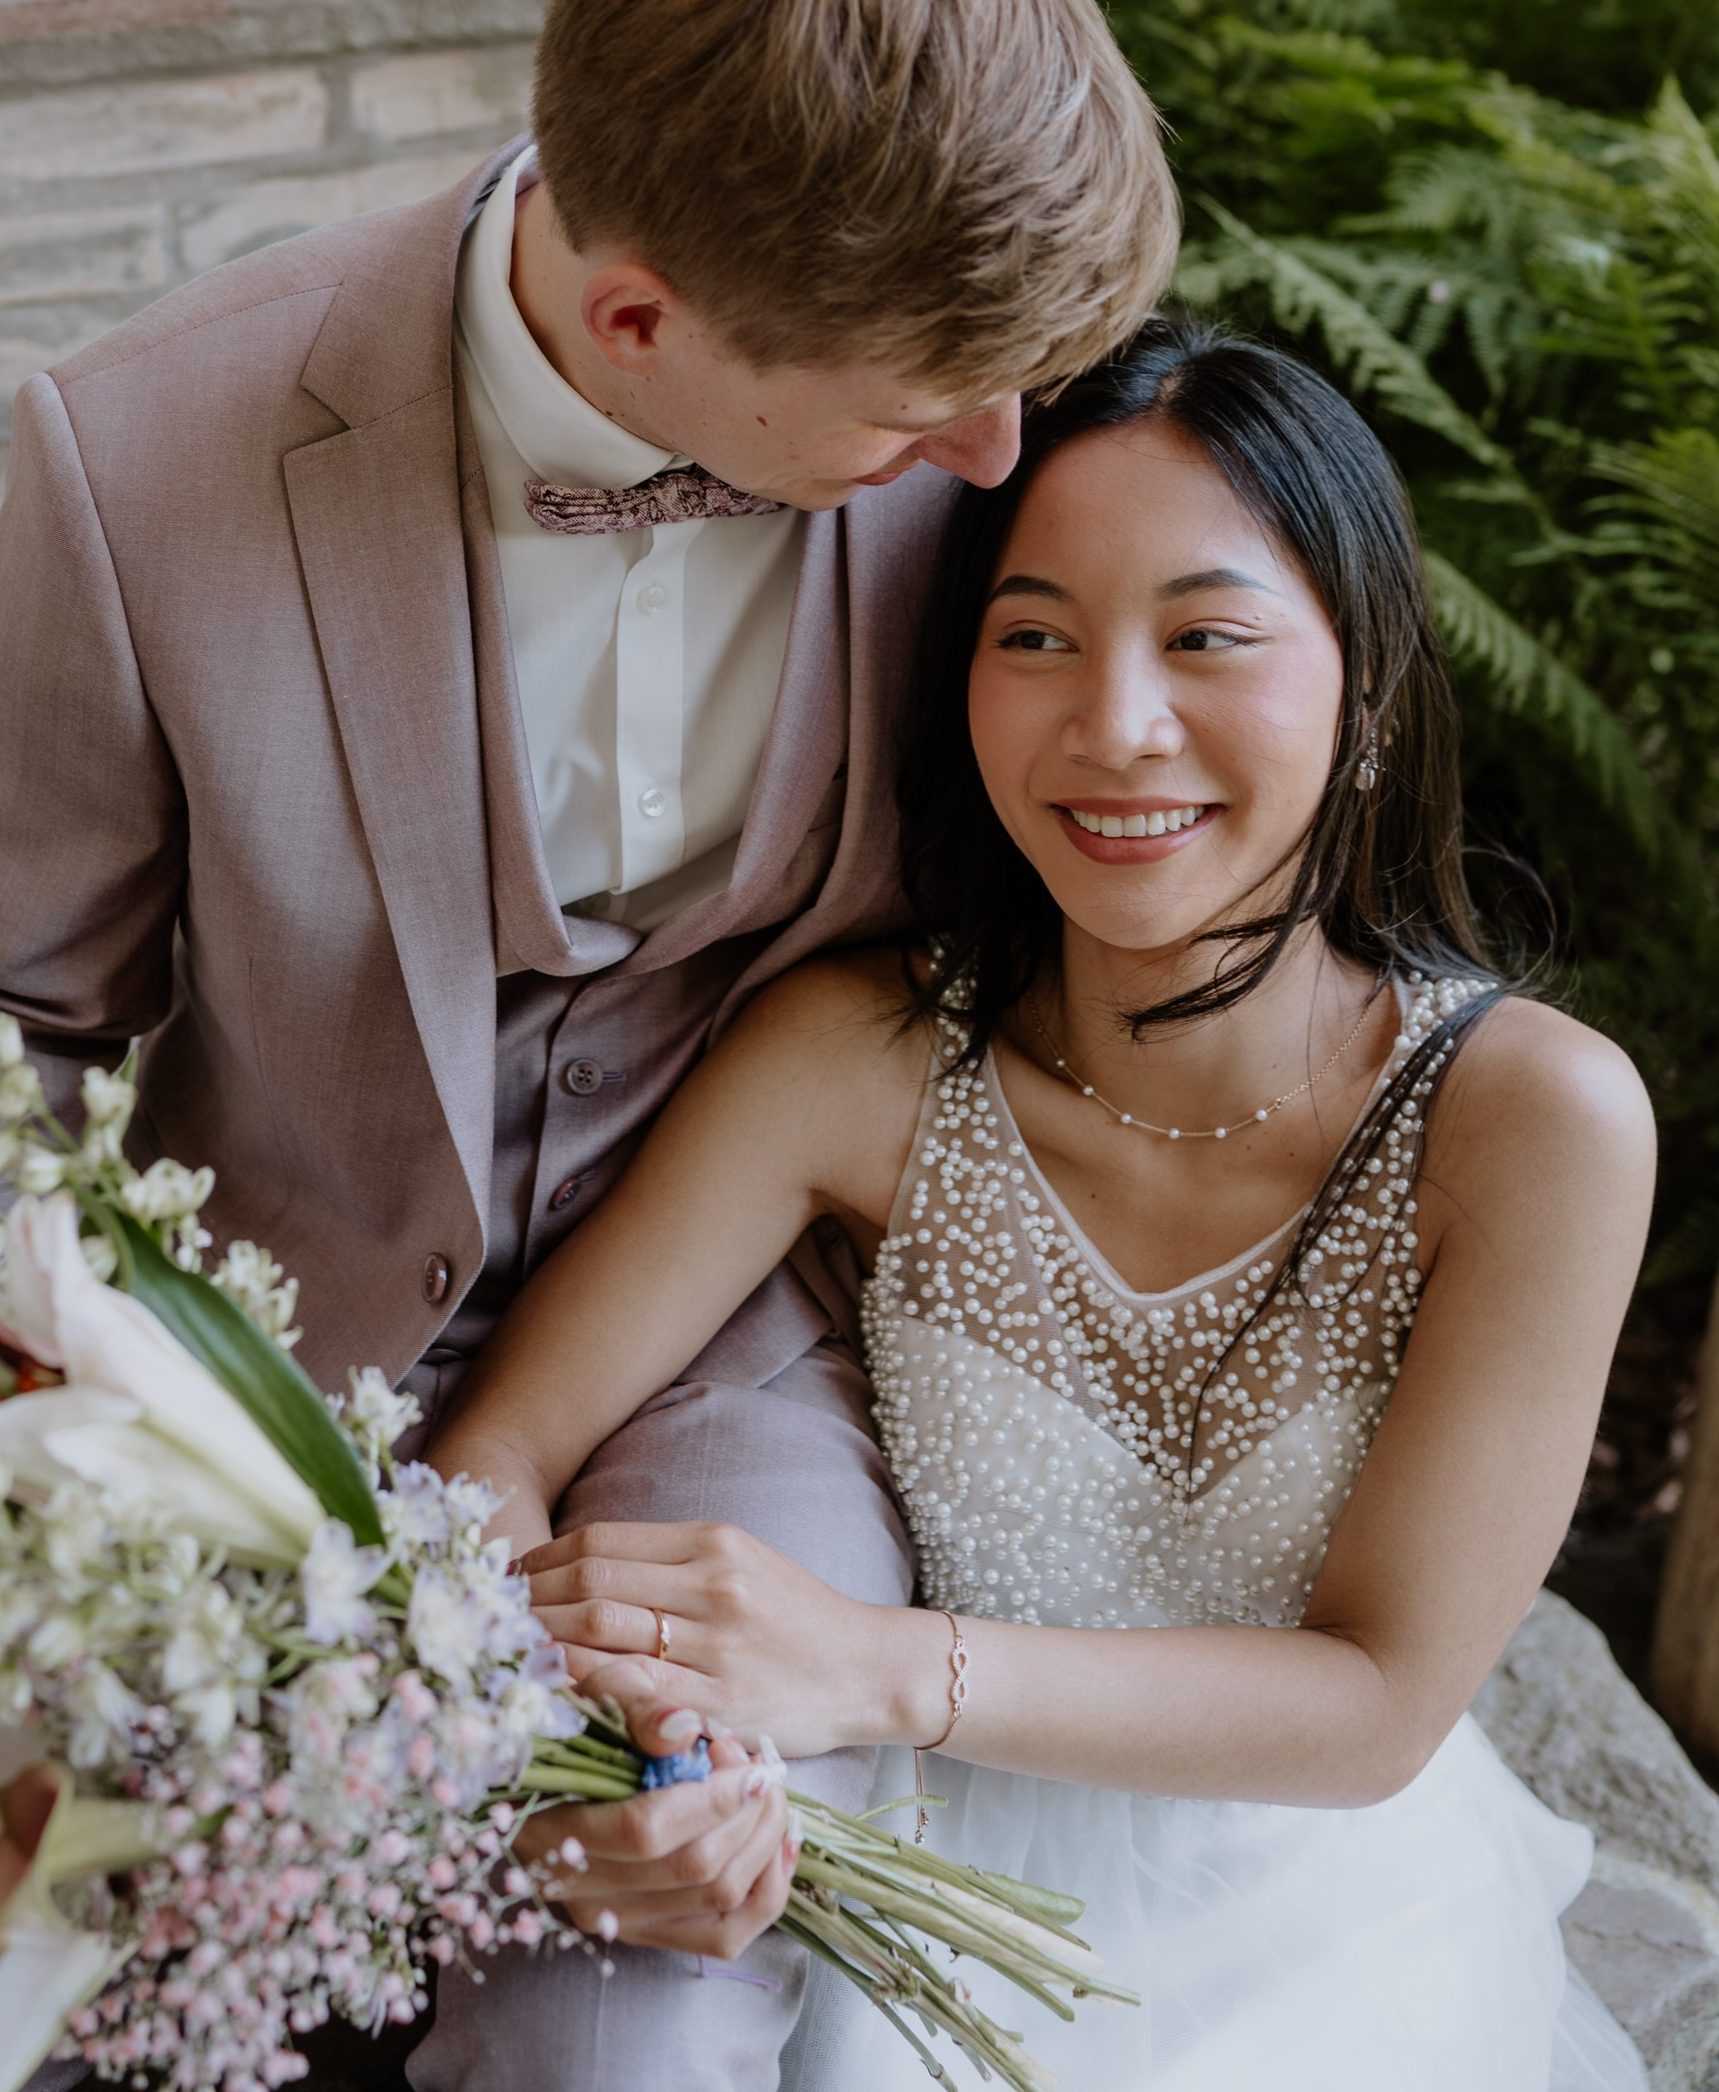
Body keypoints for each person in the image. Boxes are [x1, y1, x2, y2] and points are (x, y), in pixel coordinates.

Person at [0, 0, 1177, 2091]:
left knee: (633, 2037)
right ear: (632, 322)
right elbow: (7, 1013)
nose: (1001, 458)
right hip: (225, 1351)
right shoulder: (140, 461)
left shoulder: (969, 418)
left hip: (714, 1361)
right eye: (926, 416)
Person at [431, 321, 1655, 2092]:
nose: (1116, 727)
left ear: (1368, 690)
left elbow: (1384, 1702)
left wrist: (867, 1665)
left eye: (1209, 636)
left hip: (1329, 1925)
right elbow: (499, 1450)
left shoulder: (1529, 1118)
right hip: (914, 1909)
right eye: (1036, 640)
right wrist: (612, 1766)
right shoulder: (854, 1055)